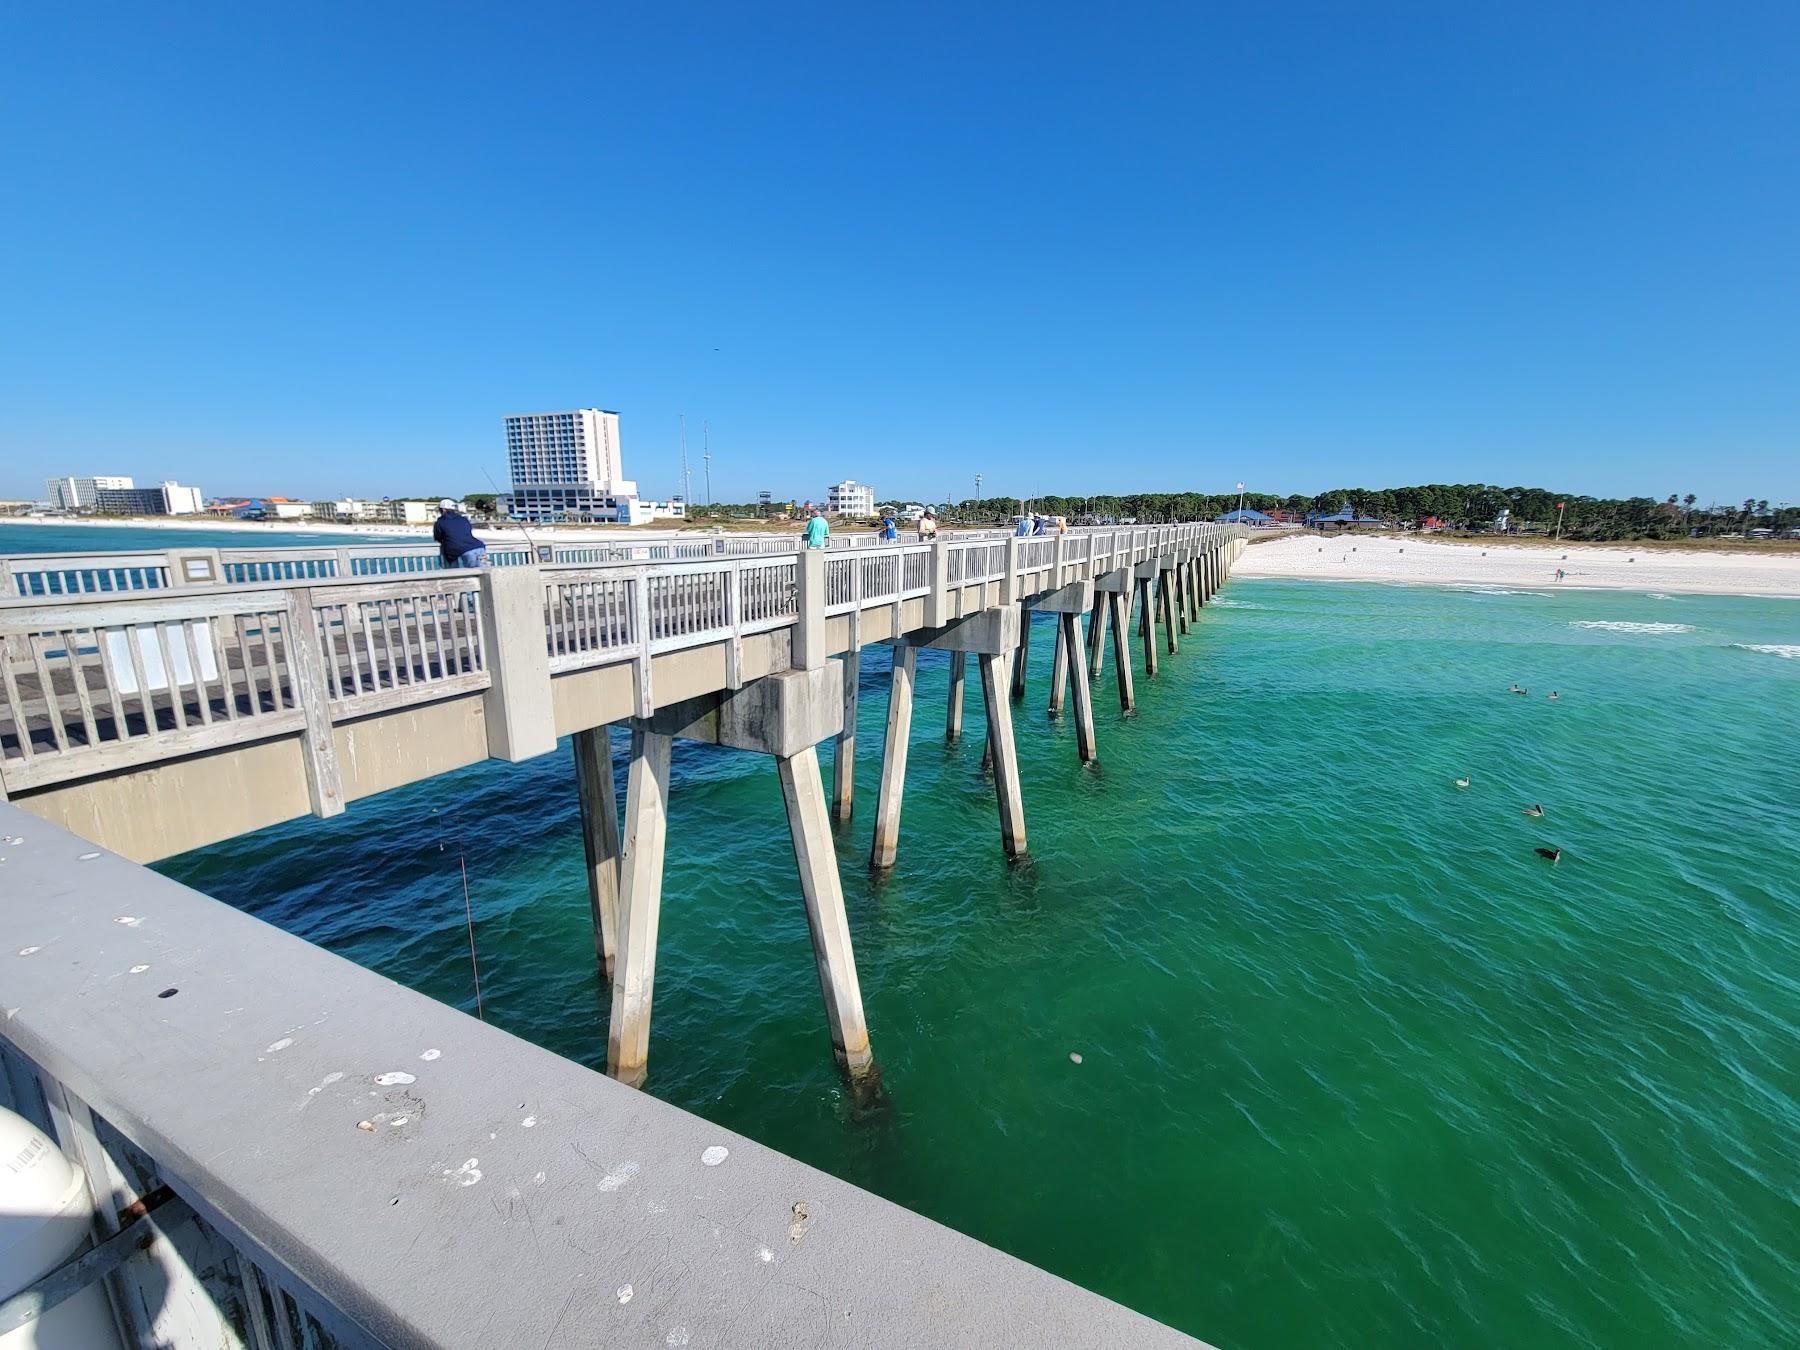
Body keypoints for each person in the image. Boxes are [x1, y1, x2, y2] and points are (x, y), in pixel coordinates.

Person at [434, 499, 485, 568]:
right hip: (480, 547)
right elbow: (467, 532)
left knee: (472, 574)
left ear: (443, 510)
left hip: (465, 550)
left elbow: (438, 537)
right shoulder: (463, 519)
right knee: (485, 572)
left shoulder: (440, 522)